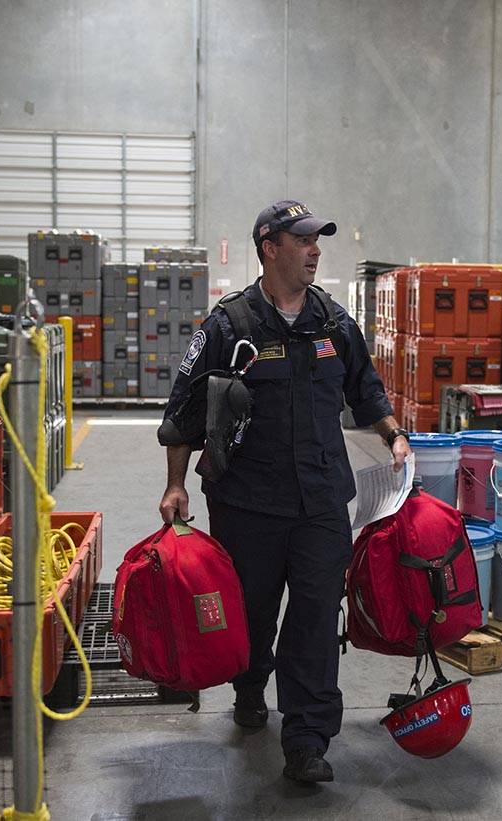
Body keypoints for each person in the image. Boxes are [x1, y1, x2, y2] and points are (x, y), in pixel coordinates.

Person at [157, 199, 411, 784]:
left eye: (317, 239)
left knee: (317, 618)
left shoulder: (333, 322)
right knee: (253, 610)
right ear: (270, 248)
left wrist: (392, 435)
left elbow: (365, 388)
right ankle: (250, 688)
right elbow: (184, 413)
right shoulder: (229, 325)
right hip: (247, 502)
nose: (315, 249)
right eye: (303, 241)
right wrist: (175, 484)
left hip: (322, 499)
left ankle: (307, 740)